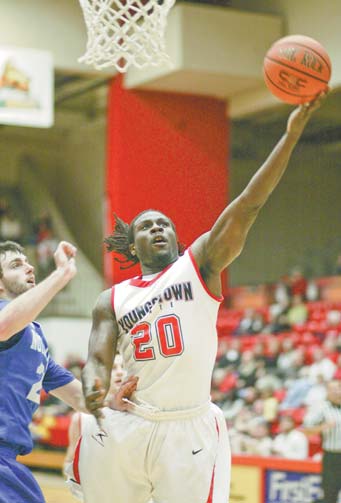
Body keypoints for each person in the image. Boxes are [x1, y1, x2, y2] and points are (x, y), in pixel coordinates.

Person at [80, 96, 325, 503]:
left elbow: (248, 204)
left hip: (188, 426)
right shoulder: (111, 299)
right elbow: (98, 362)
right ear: (133, 245)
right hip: (132, 419)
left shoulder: (198, 266)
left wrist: (290, 133)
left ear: (177, 240)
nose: (157, 228)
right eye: (146, 226)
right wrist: (94, 390)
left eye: (164, 224)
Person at [0, 240, 136, 503]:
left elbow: (78, 398)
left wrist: (110, 401)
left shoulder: (35, 337)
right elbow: (5, 327)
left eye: (28, 262)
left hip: (8, 460)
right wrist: (61, 274)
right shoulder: (6, 321)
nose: (29, 268)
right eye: (16, 265)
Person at [64, 354, 126, 500]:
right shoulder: (82, 418)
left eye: (123, 367)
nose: (119, 372)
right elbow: (70, 460)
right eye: (113, 368)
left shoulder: (143, 414)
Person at [303, 380, 341, 503]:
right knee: (330, 494)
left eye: (339, 388)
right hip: (332, 456)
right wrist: (323, 427)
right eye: (333, 389)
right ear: (327, 392)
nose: (337, 392)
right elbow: (306, 430)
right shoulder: (322, 408)